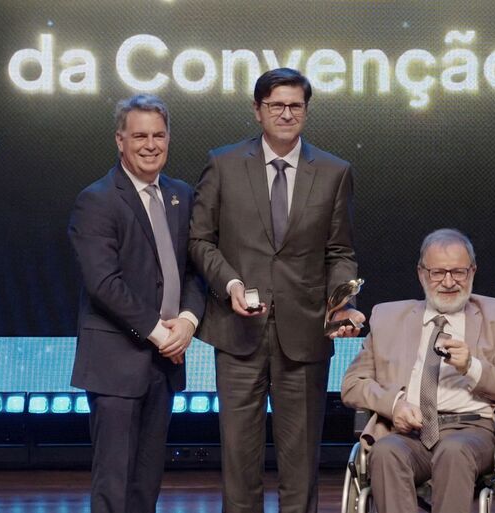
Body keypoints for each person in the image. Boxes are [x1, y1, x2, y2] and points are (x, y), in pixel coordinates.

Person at [188, 67, 365, 513]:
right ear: (257, 110)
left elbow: (339, 251)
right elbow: (199, 239)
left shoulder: (333, 170)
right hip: (237, 330)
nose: (286, 114)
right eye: (276, 105)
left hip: (304, 334)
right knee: (240, 460)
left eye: (295, 106)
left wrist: (340, 303)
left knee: (301, 462)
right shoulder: (224, 163)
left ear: (306, 110)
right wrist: (229, 282)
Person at [68, 94, 205, 513]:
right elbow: (104, 284)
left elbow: (195, 270)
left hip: (163, 366)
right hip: (116, 365)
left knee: (146, 486)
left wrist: (187, 321)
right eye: (140, 135)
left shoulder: (182, 195)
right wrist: (161, 332)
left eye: (159, 135)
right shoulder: (98, 199)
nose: (150, 144)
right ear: (120, 141)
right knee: (114, 486)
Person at [342, 228, 495, 513]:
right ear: (421, 273)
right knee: (385, 452)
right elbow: (353, 384)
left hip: (471, 431)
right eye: (437, 272)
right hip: (410, 433)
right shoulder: (387, 318)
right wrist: (394, 404)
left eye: (458, 272)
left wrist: (473, 367)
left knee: (453, 451)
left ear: (472, 272)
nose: (448, 282)